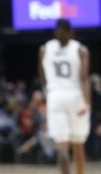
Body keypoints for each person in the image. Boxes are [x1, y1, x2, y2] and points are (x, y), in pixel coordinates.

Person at [39, 18, 91, 174]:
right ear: (71, 32)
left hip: (54, 95)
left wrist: (47, 94)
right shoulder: (81, 49)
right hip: (75, 95)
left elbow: (42, 77)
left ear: (55, 32)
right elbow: (84, 78)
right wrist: (87, 102)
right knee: (78, 144)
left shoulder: (44, 49)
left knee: (61, 145)